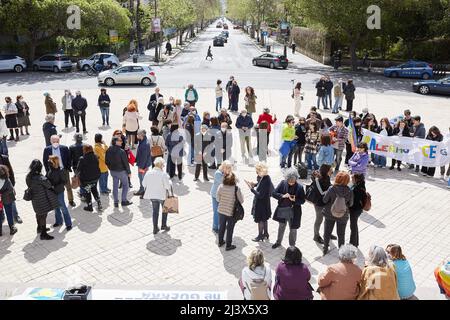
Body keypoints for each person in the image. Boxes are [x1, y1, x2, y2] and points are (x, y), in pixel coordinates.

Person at [271, 168, 305, 248]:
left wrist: (295, 200)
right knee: (281, 227)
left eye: (293, 182)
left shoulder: (300, 187)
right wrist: (282, 196)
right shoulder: (283, 183)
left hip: (294, 212)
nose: (291, 183)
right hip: (283, 209)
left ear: (296, 179)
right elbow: (273, 193)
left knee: (293, 229)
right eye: (289, 181)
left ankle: (292, 246)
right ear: (286, 179)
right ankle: (278, 242)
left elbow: (303, 200)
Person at [26, 159, 59, 240]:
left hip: (34, 199)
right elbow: (48, 185)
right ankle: (43, 234)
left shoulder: (28, 176)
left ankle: (39, 228)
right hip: (42, 199)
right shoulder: (40, 178)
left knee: (38, 213)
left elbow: (28, 185)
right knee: (43, 215)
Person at [322, 171, 353, 255]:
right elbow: (351, 204)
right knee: (341, 234)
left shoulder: (331, 188)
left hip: (329, 213)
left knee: (327, 232)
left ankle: (325, 248)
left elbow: (324, 200)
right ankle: (341, 252)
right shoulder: (349, 191)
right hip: (343, 215)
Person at [43, 135, 75, 207]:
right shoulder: (47, 149)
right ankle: (55, 202)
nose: (55, 143)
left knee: (68, 187)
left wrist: (67, 168)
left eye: (57, 141)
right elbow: (45, 161)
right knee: (55, 187)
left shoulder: (64, 148)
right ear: (50, 141)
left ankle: (71, 200)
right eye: (54, 141)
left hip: (63, 170)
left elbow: (69, 159)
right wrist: (48, 171)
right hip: (53, 172)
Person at [142, 157, 172, 234]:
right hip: (161, 196)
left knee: (155, 211)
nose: (164, 166)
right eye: (163, 165)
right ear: (161, 165)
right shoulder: (163, 174)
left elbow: (143, 184)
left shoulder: (148, 173)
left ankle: (155, 228)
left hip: (152, 196)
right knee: (165, 210)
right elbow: (167, 187)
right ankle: (163, 225)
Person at [246, 162, 273, 241]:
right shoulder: (266, 177)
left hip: (261, 204)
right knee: (264, 219)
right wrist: (254, 184)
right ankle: (266, 233)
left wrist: (251, 189)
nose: (256, 173)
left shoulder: (265, 180)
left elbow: (260, 195)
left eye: (257, 171)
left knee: (260, 220)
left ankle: (260, 235)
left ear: (261, 171)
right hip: (265, 203)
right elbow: (260, 184)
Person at [216, 172, 244, 251]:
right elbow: (241, 201)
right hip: (231, 212)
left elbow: (218, 199)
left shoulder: (221, 186)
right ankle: (228, 245)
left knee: (221, 227)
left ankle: (220, 242)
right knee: (230, 228)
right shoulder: (236, 188)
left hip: (221, 210)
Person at [46, 156, 72, 230]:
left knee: (63, 207)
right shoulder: (50, 170)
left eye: (50, 160)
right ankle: (59, 221)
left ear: (54, 162)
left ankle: (68, 223)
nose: (48, 161)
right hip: (53, 192)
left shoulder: (61, 170)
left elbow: (65, 181)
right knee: (56, 207)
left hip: (59, 191)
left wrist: (55, 186)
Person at [105, 137, 132, 208]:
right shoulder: (121, 151)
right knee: (126, 185)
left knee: (115, 186)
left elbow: (106, 161)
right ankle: (124, 201)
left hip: (113, 172)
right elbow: (126, 163)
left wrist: (110, 168)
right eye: (120, 141)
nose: (122, 142)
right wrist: (129, 172)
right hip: (121, 172)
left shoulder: (108, 150)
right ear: (115, 142)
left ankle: (116, 202)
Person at [311, 165, 334, 244]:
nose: (332, 171)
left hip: (326, 202)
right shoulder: (317, 180)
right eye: (330, 170)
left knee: (328, 219)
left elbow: (329, 186)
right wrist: (330, 190)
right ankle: (316, 236)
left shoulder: (327, 177)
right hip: (319, 203)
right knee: (319, 220)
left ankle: (327, 233)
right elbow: (321, 192)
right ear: (326, 171)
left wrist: (332, 187)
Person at [77, 144, 102, 212]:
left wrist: (76, 175)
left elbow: (78, 169)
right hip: (95, 178)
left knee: (88, 192)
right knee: (94, 190)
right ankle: (99, 203)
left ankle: (90, 206)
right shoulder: (96, 156)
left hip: (86, 180)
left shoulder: (82, 158)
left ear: (85, 150)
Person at [210, 161, 232, 234]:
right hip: (215, 195)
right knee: (216, 212)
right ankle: (215, 227)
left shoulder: (225, 173)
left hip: (222, 196)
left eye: (230, 168)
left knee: (222, 212)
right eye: (228, 168)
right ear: (224, 167)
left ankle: (221, 225)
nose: (229, 170)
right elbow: (224, 182)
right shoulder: (218, 173)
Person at [348, 173, 366, 248]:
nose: (351, 180)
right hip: (358, 209)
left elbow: (354, 200)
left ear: (357, 179)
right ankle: (356, 242)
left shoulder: (357, 189)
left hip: (355, 210)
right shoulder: (361, 186)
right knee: (354, 226)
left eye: (353, 179)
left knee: (353, 226)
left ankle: (353, 243)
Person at [0, 165, 18, 235]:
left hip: (0, 201)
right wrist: (3, 194)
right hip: (7, 199)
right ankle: (12, 228)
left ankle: (0, 231)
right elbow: (10, 189)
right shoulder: (6, 179)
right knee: (9, 214)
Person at [134, 129, 152, 197]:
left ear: (141, 135)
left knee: (142, 177)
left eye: (138, 134)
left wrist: (141, 167)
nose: (137, 136)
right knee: (141, 177)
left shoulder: (144, 144)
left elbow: (144, 157)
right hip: (143, 164)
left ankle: (144, 191)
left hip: (143, 165)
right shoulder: (142, 141)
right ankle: (142, 190)